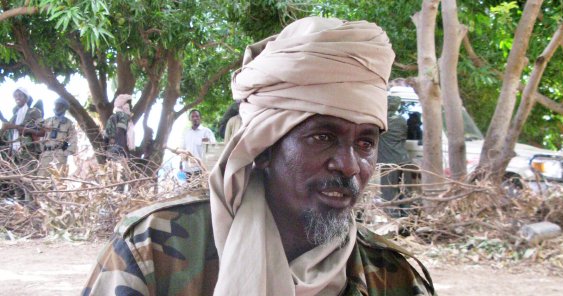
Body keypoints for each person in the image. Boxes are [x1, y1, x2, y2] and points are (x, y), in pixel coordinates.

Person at [83, 17, 435, 296]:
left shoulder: (393, 278)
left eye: (365, 143)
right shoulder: (155, 251)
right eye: (323, 137)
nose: (348, 165)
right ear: (262, 150)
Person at [0, 87, 43, 199]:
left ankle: (32, 209)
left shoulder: (34, 112)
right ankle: (21, 211)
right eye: (15, 96)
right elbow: (5, 133)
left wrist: (21, 129)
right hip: (15, 155)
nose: (17, 98)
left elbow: (42, 132)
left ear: (26, 97)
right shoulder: (15, 116)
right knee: (17, 184)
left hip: (28, 152)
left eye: (20, 95)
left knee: (29, 182)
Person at [378, 95, 412, 204]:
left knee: (388, 191)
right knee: (406, 189)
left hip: (388, 162)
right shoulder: (402, 120)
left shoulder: (382, 121)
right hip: (404, 159)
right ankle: (407, 214)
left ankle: (393, 216)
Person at [37, 97, 78, 177]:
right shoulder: (47, 120)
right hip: (46, 154)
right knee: (41, 180)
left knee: (58, 181)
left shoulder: (69, 123)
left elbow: (74, 140)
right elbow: (37, 125)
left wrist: (65, 153)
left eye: (59, 105)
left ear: (64, 108)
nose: (57, 107)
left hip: (59, 156)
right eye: (56, 105)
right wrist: (42, 151)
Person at [179, 109, 217, 177]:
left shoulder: (206, 131)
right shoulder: (186, 133)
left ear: (200, 118)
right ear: (189, 119)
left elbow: (214, 147)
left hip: (202, 169)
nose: (195, 118)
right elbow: (182, 149)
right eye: (192, 117)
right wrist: (181, 163)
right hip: (188, 169)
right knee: (189, 188)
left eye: (197, 116)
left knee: (202, 188)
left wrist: (208, 142)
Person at [104, 94, 135, 159]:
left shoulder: (113, 117)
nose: (131, 106)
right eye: (129, 104)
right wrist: (121, 151)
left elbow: (106, 136)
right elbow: (120, 132)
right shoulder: (122, 116)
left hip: (111, 151)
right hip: (118, 150)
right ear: (124, 105)